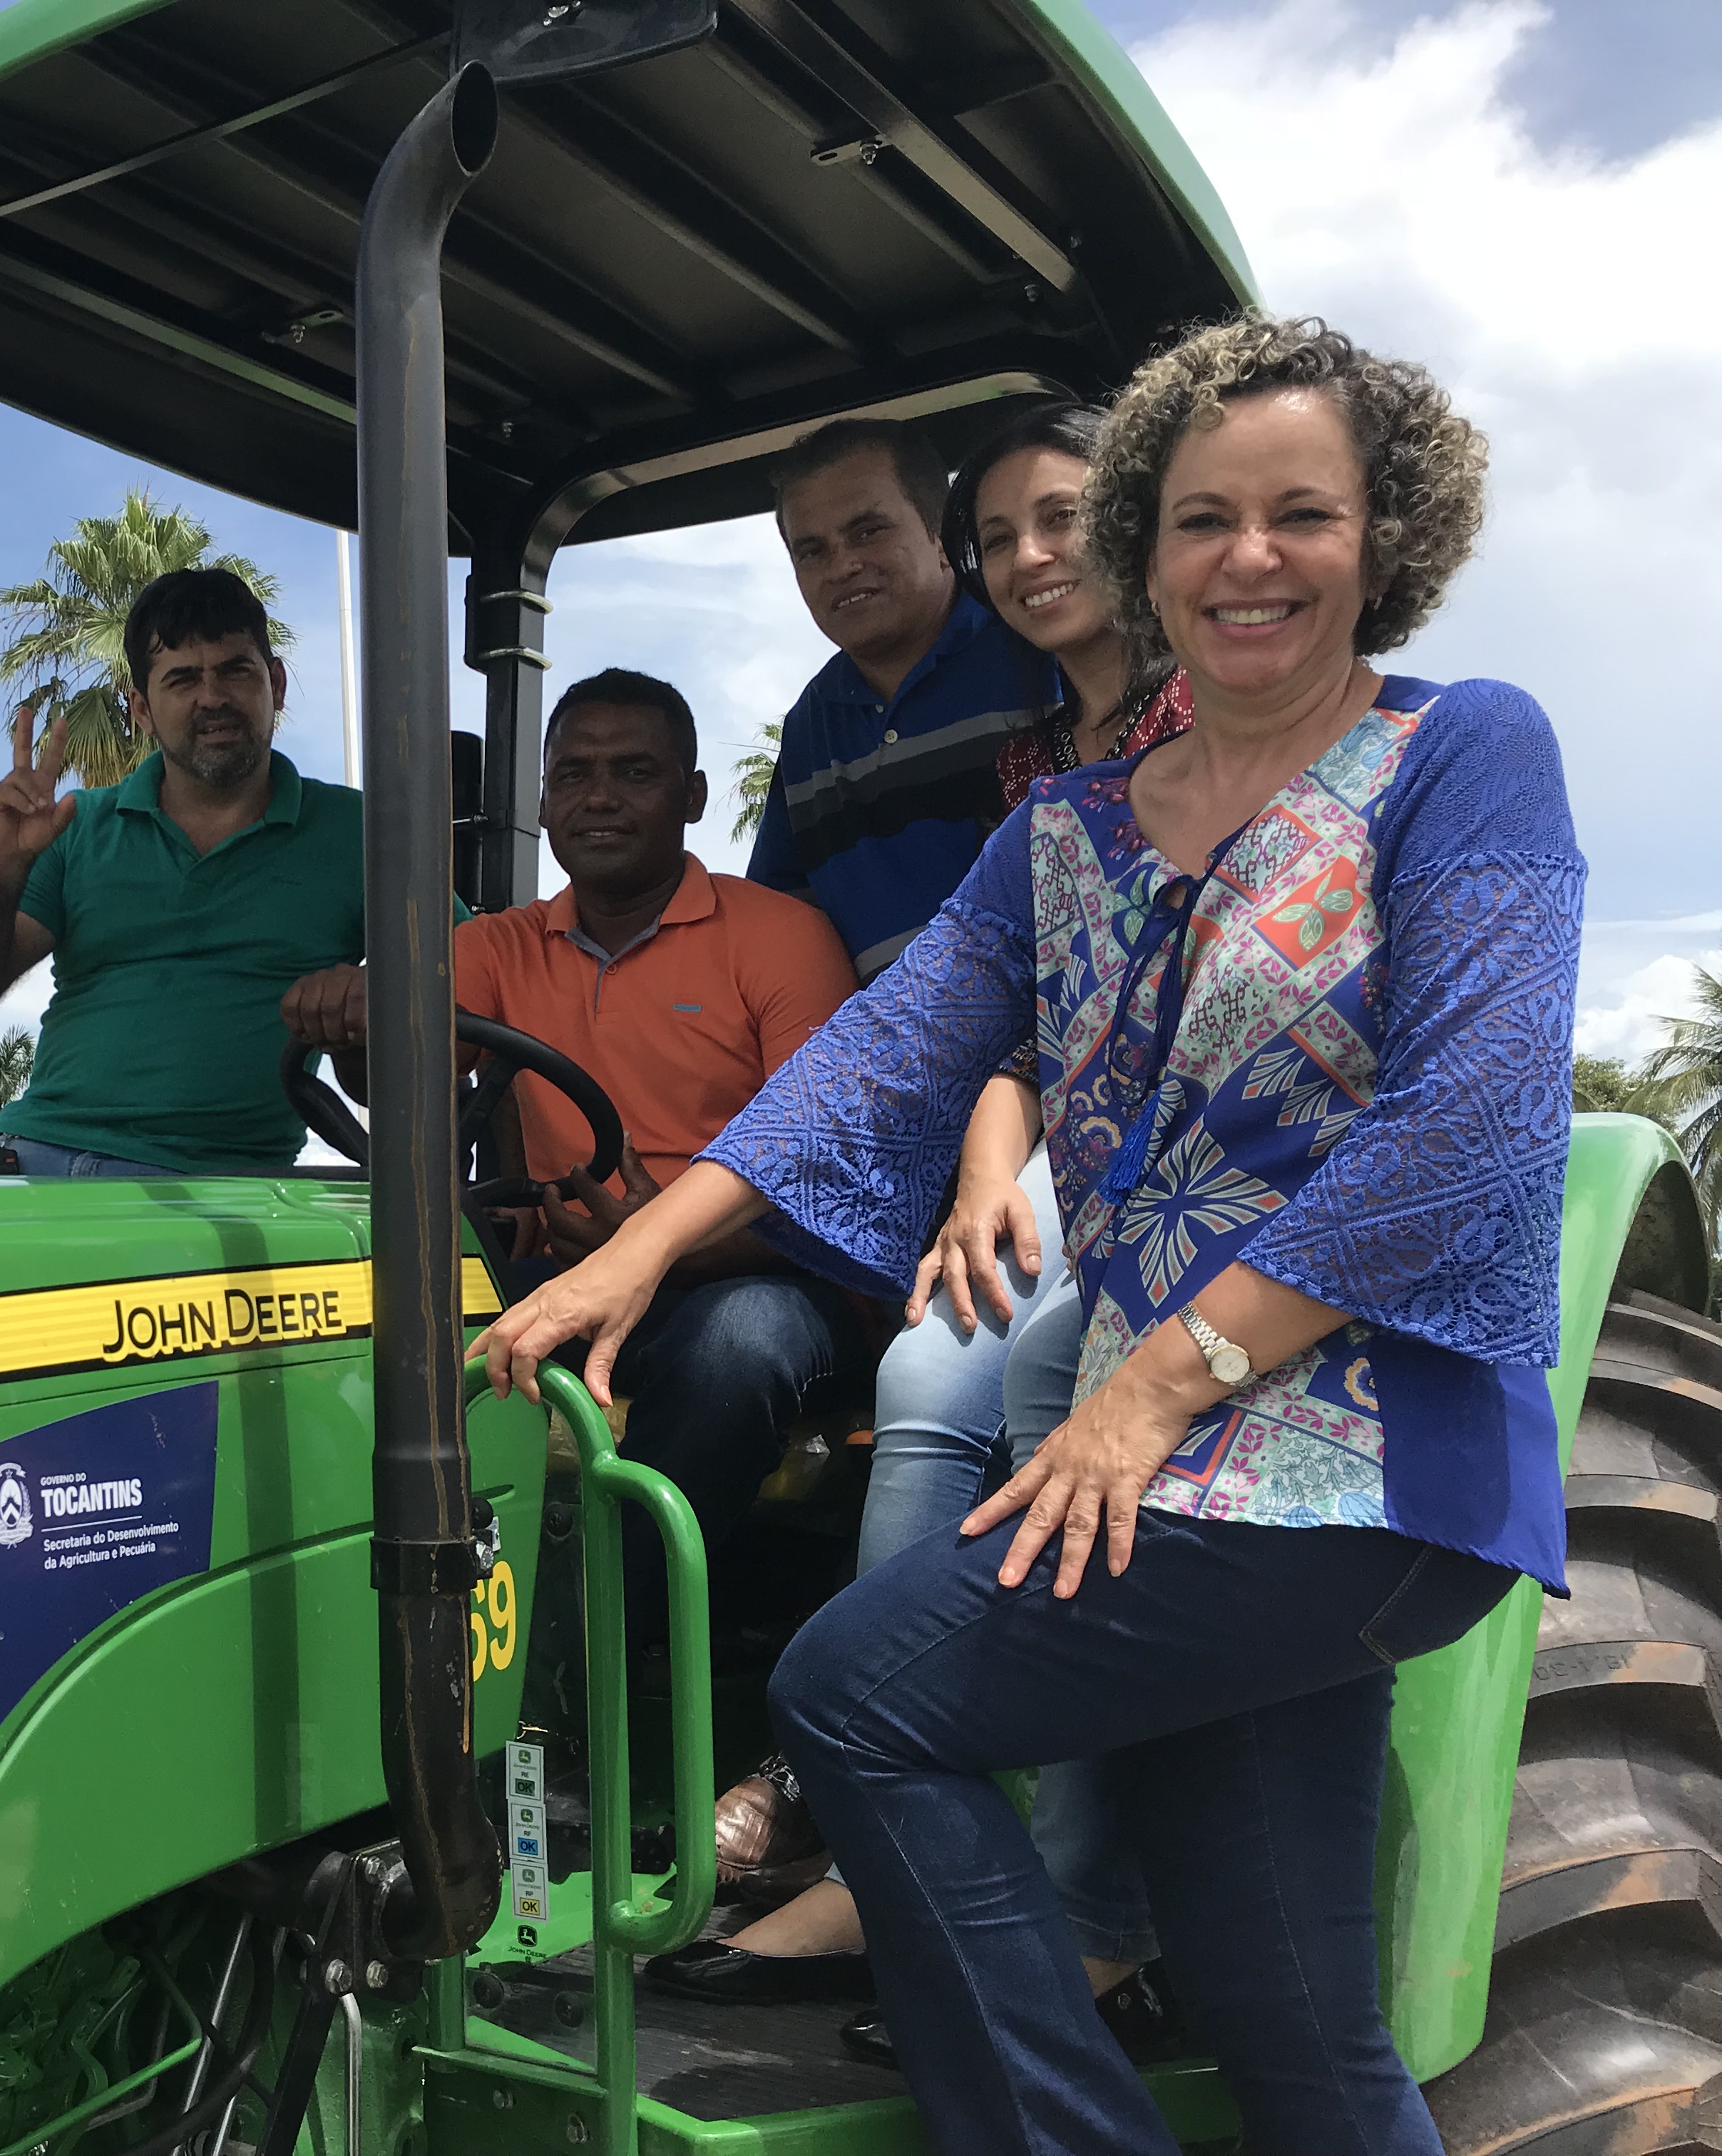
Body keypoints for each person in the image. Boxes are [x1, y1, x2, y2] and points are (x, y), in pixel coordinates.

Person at [478, 316, 1565, 2155]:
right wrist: (629, 1257)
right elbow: (883, 1056)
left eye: (1304, 513)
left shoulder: (1460, 753)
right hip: (1165, 1482)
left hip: (1360, 1473)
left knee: (851, 1689)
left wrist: (1149, 1382)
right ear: (1146, 548)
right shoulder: (1064, 831)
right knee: (1294, 2022)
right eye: (1202, 516)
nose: (1249, 556)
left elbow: (1467, 1128)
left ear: (1389, 541)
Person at [683, 406, 1199, 2024]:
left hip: (1176, 1132)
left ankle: (1064, 1897)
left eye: (1057, 525)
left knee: (1025, 1383)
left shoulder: (1196, 700)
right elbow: (1004, 989)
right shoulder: (1036, 749)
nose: (1030, 561)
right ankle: (867, 1834)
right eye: (1007, 536)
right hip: (981, 1108)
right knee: (888, 1369)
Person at [280, 669, 861, 1598]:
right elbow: (402, 1076)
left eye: (634, 772)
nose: (598, 797)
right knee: (353, 1316)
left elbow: (835, 1181)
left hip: (750, 1275)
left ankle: (602, 1654)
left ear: (694, 795)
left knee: (739, 1349)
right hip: (562, 1274)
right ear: (544, 798)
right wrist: (356, 1019)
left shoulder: (778, 937)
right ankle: (382, 1613)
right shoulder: (497, 949)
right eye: (573, 774)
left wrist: (673, 1241)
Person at [0, 568, 360, 1179]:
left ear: (275, 684)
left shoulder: (361, 832)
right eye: (182, 679)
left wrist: (375, 996)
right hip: (28, 1158)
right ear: (142, 710)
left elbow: (472, 975)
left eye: (236, 670)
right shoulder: (77, 824)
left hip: (219, 1191)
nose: (213, 697)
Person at [741, 416, 1051, 983]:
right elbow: (776, 926)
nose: (842, 565)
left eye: (867, 531)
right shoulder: (812, 728)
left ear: (942, 532)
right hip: (887, 1059)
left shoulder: (1038, 649)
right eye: (812, 551)